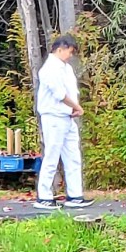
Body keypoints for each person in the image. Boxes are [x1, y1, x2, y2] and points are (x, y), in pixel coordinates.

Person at [34, 35, 93, 211]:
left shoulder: (66, 68)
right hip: (53, 116)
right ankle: (44, 195)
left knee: (73, 156)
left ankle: (75, 195)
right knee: (52, 156)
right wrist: (77, 107)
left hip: (67, 116)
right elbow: (59, 94)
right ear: (60, 49)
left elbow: (70, 91)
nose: (70, 55)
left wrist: (74, 108)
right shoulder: (49, 68)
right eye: (69, 51)